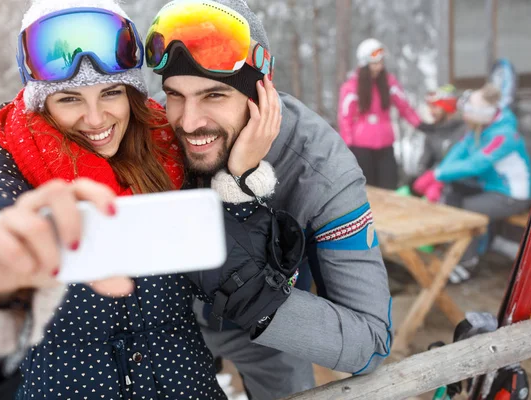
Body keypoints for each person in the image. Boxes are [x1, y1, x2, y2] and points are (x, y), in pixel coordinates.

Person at [0, 0, 290, 398]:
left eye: (111, 93)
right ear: (42, 102)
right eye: (69, 99)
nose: (96, 119)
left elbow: (232, 284)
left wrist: (239, 179)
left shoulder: (169, 148)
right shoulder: (9, 154)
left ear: (131, 93)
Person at [144, 1, 392, 398]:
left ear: (260, 94)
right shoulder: (155, 129)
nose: (188, 122)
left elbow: (372, 340)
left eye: (214, 95)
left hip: (262, 331)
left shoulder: (321, 171)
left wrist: (241, 183)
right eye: (175, 94)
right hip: (168, 321)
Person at [413, 83, 531, 283]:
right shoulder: (482, 126)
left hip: (512, 195)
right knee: (451, 196)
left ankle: (467, 262)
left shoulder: (503, 135)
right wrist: (439, 173)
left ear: (480, 114)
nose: (464, 117)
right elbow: (459, 151)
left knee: (466, 212)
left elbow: (476, 164)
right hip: (490, 188)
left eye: (468, 113)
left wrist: (438, 174)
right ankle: (458, 250)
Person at [338, 37, 432, 189]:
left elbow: (404, 106)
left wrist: (419, 124)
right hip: (361, 147)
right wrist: (347, 146)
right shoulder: (351, 87)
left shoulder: (389, 82)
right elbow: (345, 118)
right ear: (364, 64)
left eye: (381, 63)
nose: (379, 67)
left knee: (389, 187)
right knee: (368, 189)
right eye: (374, 63)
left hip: (385, 144)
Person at [415, 84, 467, 179]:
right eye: (429, 107)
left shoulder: (464, 130)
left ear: (448, 107)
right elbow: (424, 162)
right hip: (435, 181)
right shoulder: (432, 132)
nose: (431, 111)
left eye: (434, 107)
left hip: (459, 182)